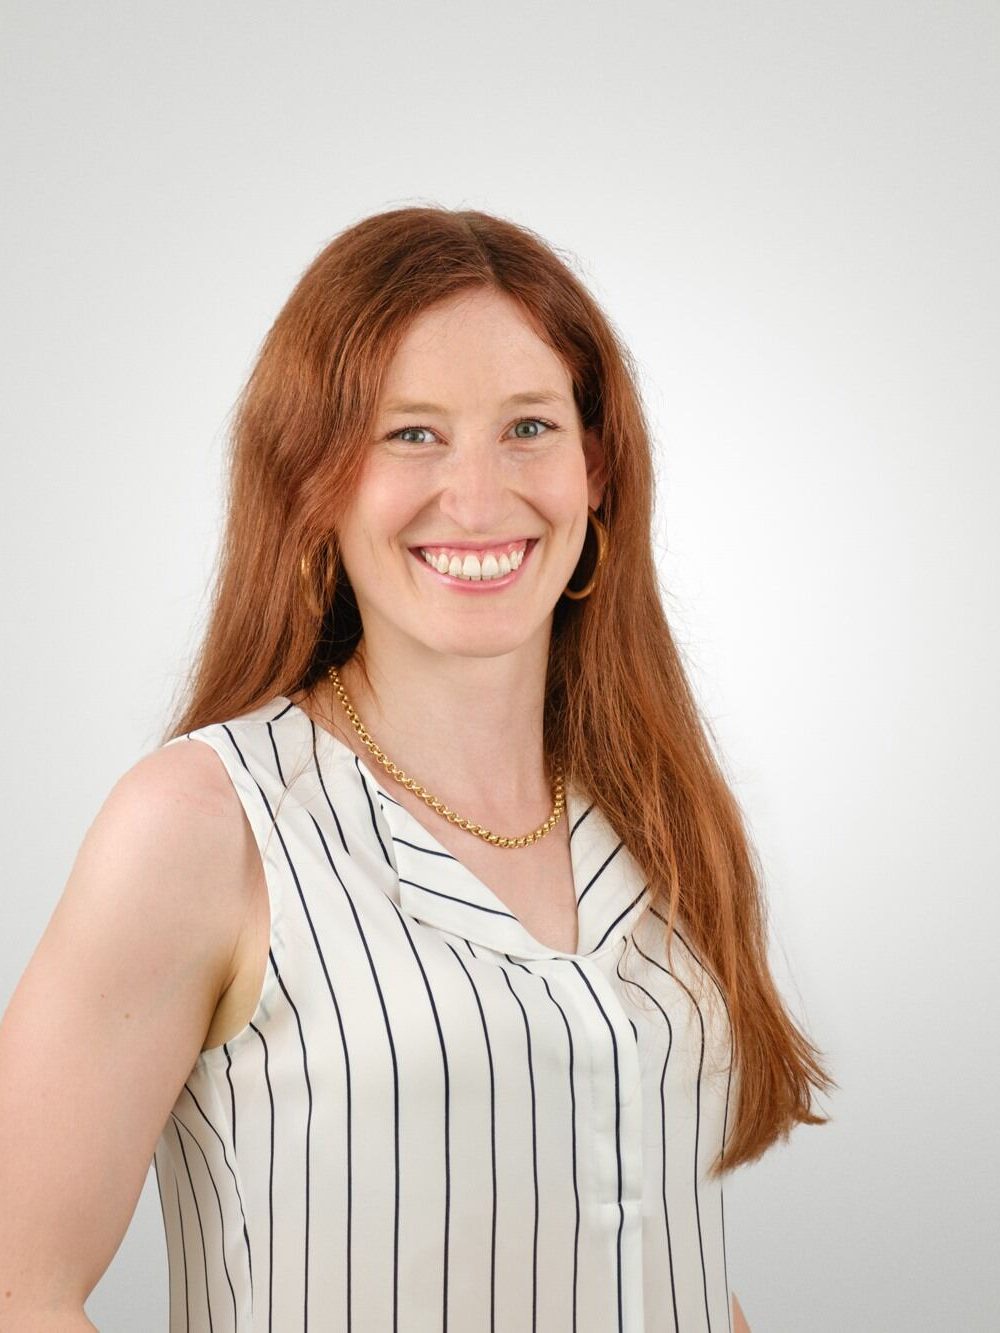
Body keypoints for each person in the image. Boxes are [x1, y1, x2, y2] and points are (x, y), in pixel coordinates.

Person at [0, 206, 835, 1331]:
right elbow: (20, 1288)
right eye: (412, 434)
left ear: (598, 469)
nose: (480, 497)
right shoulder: (202, 825)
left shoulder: (657, 811)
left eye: (529, 426)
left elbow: (652, 1251)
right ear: (314, 483)